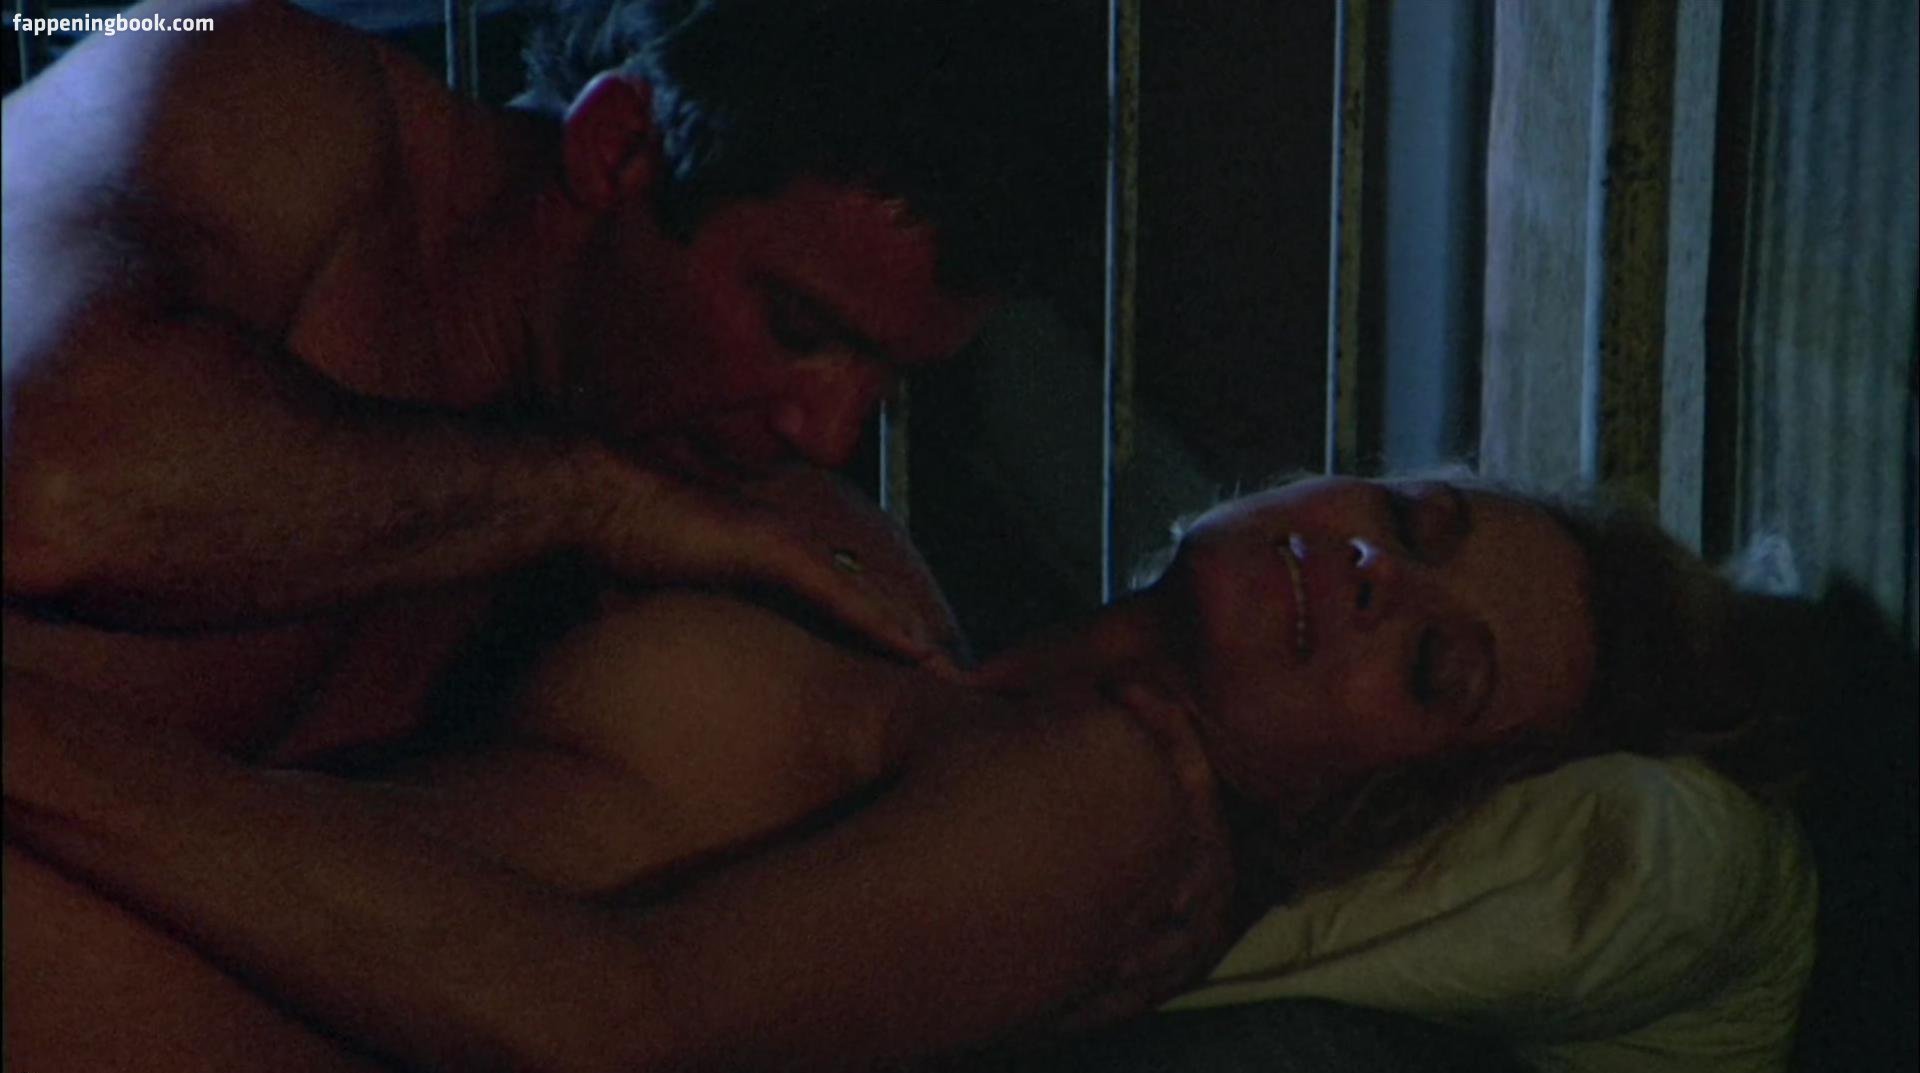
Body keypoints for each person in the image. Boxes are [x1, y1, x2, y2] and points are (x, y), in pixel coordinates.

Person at [6, 468, 1829, 1072]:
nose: (1371, 572)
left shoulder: (1112, 806)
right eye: (1414, 523)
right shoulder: (880, 589)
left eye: (1433, 666)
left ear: (1390, 806)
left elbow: (614, 1019)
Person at [1, 0, 1101, 755]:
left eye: (892, 381)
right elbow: (52, 491)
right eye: (796, 326)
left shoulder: (712, 494)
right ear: (618, 147)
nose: (828, 432)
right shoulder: (254, 103)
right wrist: (588, 501)